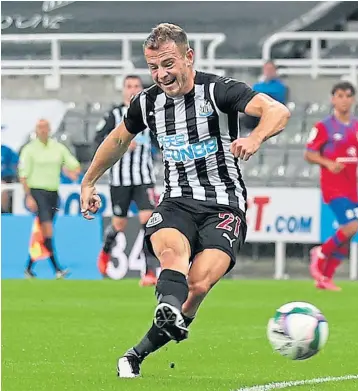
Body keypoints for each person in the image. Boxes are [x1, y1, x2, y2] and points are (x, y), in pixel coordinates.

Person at [80, 23, 290, 378]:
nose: (161, 74)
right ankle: (166, 308)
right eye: (153, 67)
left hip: (225, 206)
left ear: (189, 57)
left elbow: (278, 111)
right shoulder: (148, 102)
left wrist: (254, 138)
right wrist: (89, 182)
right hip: (176, 201)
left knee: (197, 284)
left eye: (168, 63)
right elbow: (117, 140)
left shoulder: (220, 91)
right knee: (171, 253)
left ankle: (136, 353)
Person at [305, 81, 358, 291]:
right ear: (333, 99)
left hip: (350, 187)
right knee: (351, 227)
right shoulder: (323, 126)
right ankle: (319, 253)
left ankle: (325, 278)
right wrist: (328, 163)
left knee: (349, 233)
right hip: (333, 187)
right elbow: (309, 154)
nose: (344, 100)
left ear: (353, 99)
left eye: (348, 96)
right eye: (339, 95)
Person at [94, 75, 158, 286]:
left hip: (144, 177)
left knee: (148, 220)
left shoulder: (151, 113)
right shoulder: (114, 115)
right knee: (119, 224)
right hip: (120, 179)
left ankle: (149, 271)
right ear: (123, 90)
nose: (132, 90)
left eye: (136, 86)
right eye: (129, 86)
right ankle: (105, 251)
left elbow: (161, 139)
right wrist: (119, 142)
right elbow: (97, 139)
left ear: (142, 89)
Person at [19, 119, 81, 279]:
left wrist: (69, 170)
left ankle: (29, 268)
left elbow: (74, 165)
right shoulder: (30, 150)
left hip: (53, 193)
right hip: (37, 192)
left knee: (44, 232)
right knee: (47, 229)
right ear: (36, 130)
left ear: (50, 129)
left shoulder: (57, 148)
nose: (43, 131)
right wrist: (28, 196)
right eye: (40, 127)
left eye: (45, 127)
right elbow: (23, 175)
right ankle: (57, 268)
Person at [1, 144, 19, 213]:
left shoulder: (6, 150)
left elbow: (15, 165)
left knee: (4, 188)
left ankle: (4, 212)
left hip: (5, 180)